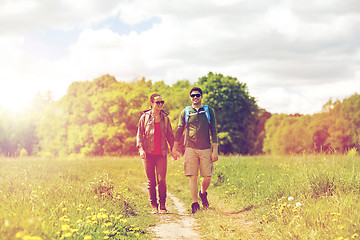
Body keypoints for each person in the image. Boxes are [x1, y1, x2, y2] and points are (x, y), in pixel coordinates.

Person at [172, 87, 218, 214]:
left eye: (197, 95)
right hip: (190, 147)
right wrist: (174, 148)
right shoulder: (185, 112)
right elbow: (180, 130)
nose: (195, 97)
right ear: (190, 97)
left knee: (207, 176)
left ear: (201, 96)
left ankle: (202, 193)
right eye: (193, 95)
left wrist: (215, 150)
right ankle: (195, 204)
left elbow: (214, 130)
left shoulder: (209, 111)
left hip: (206, 148)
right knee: (192, 176)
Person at [136, 94, 176, 214]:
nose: (160, 104)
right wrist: (141, 149)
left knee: (161, 180)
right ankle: (154, 205)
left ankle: (162, 205)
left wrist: (174, 149)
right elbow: (139, 134)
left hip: (162, 153)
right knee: (151, 181)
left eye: (161, 102)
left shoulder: (165, 118)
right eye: (157, 102)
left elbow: (170, 135)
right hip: (148, 153)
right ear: (151, 103)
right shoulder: (144, 117)